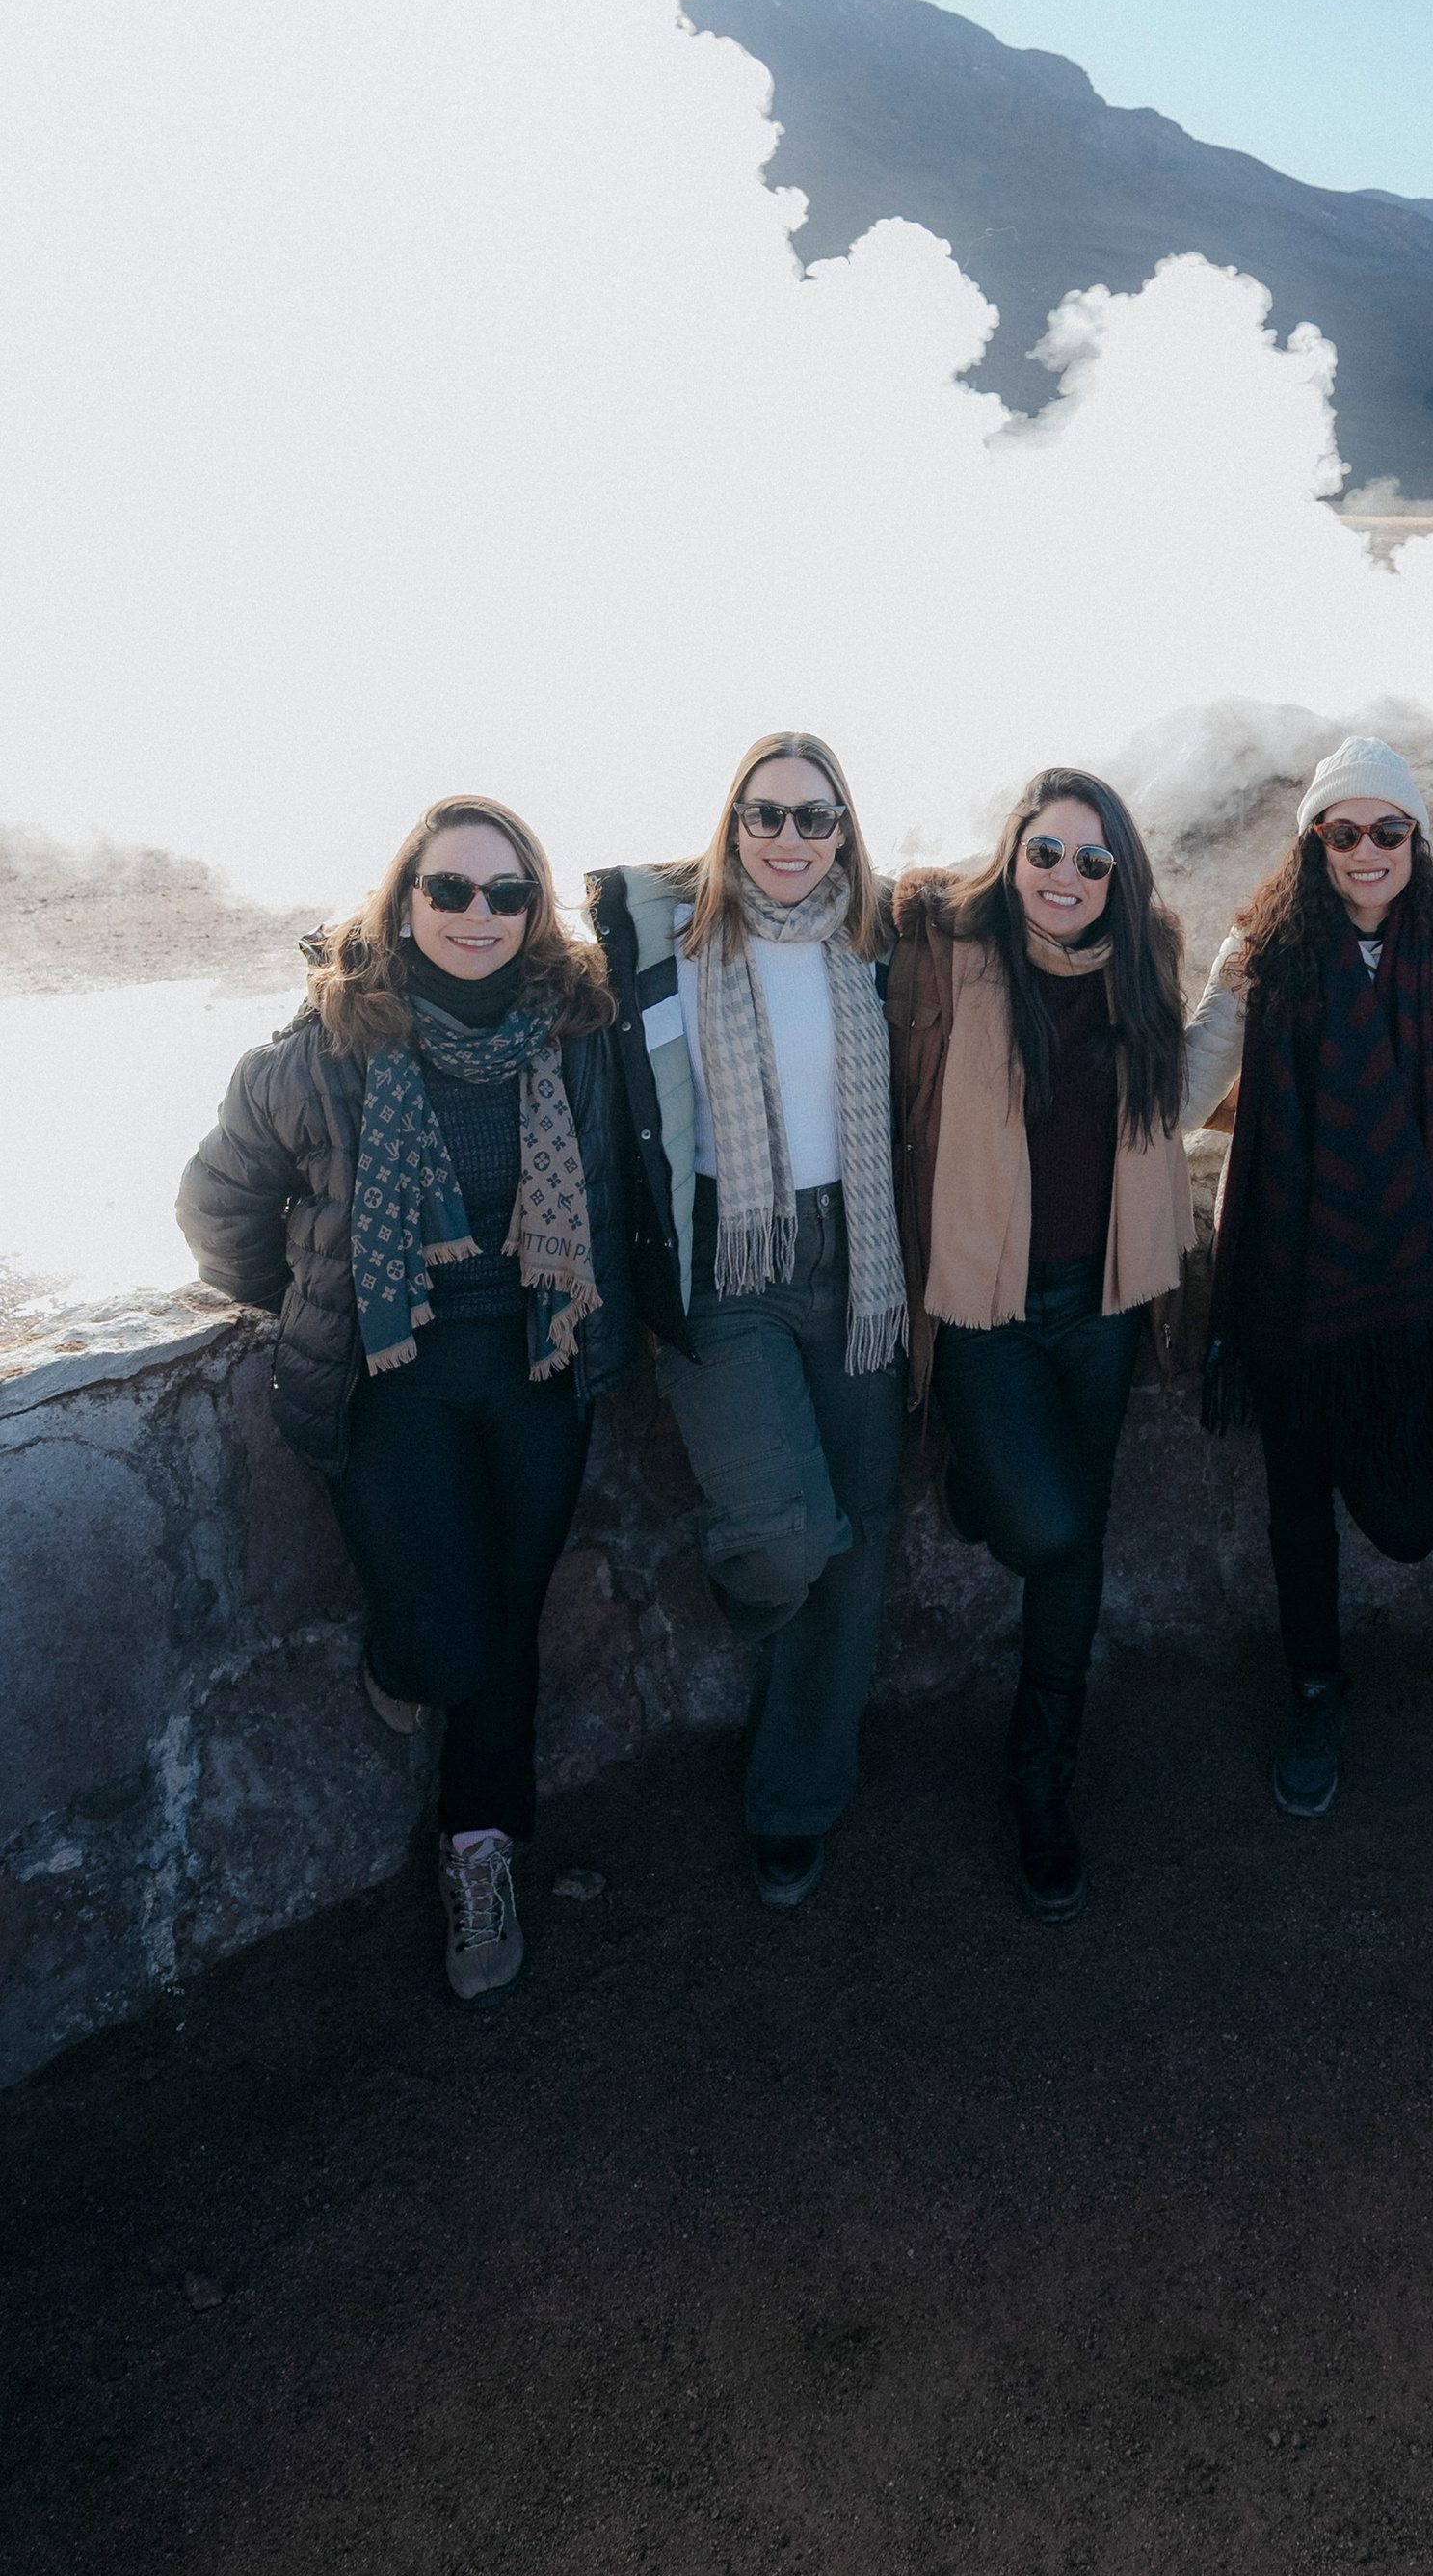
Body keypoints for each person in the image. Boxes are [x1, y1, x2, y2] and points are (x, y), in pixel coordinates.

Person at [178, 798, 635, 2005]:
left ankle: (478, 1857)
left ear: (534, 910)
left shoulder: (574, 1033)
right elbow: (216, 1207)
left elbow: (617, 1188)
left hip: (538, 1363)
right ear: (403, 902)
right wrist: (321, 1297)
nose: (478, 915)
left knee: (507, 1624)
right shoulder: (327, 1047)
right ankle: (406, 1657)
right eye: (450, 890)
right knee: (442, 1642)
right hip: (396, 1381)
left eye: (506, 894)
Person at [590, 733, 907, 1911]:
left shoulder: (878, 939)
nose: (788, 839)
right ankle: (760, 1580)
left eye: (814, 818)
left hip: (856, 1260)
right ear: (731, 824)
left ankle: (793, 1800)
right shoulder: (665, 938)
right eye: (764, 816)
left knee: (858, 1542)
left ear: (844, 831)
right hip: (727, 1260)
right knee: (788, 1537)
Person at [1186, 737, 1433, 1818]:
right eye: (1344, 832)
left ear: (1416, 838)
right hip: (1288, 1272)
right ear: (1314, 843)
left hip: (1415, 1278)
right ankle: (1314, 1686)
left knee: (1408, 1519)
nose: (1367, 850)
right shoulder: (1262, 949)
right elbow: (1185, 1089)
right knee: (1295, 1499)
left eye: (1389, 829)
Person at [886, 771, 1191, 1919]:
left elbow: (1181, 1088)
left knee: (1078, 1538)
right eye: (1046, 852)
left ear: (1121, 876)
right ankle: (977, 1478)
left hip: (1101, 1295)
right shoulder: (947, 945)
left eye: (1092, 860)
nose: (1066, 877)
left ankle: (1040, 1776)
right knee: (1049, 1527)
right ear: (1011, 853)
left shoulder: (1147, 960)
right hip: (985, 1299)